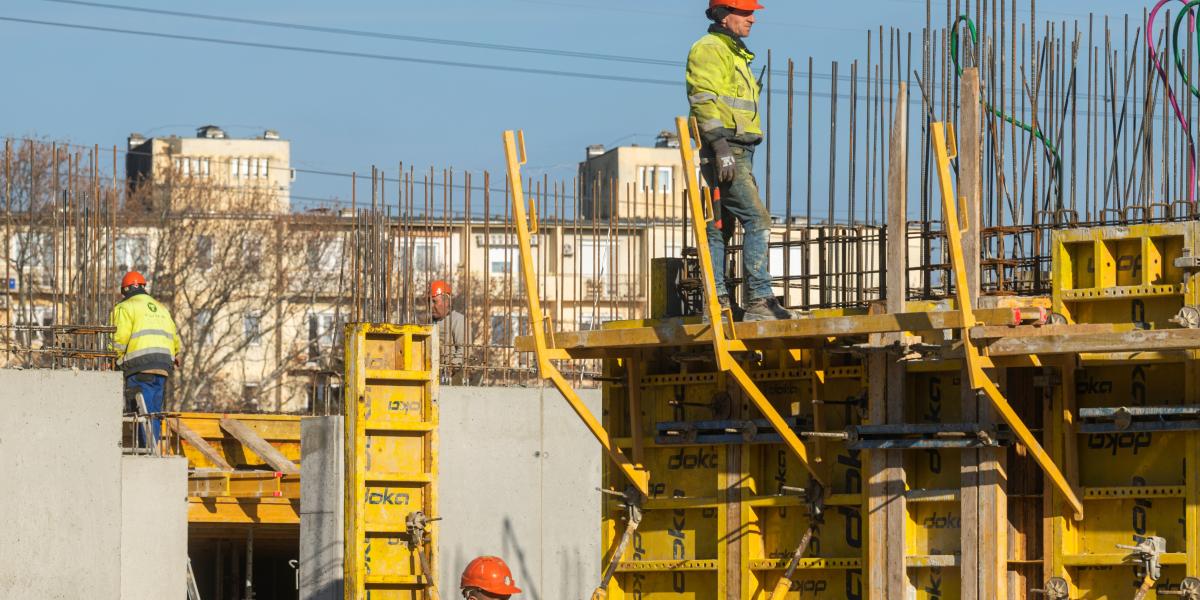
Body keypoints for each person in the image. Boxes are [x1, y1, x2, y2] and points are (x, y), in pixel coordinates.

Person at [687, 0, 794, 321]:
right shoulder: (709, 49)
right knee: (758, 220)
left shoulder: (733, 52)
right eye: (745, 13)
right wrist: (719, 147)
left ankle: (717, 303)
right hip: (727, 149)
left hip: (738, 150)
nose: (752, 20)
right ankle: (759, 300)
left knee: (721, 226)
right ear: (723, 15)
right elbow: (702, 99)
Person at [108, 271, 181, 446]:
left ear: (125, 289)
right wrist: (175, 355)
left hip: (139, 366)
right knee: (153, 412)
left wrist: (111, 357)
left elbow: (119, 338)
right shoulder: (161, 308)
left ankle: (147, 451)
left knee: (142, 413)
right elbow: (174, 338)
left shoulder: (125, 307)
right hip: (163, 366)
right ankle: (152, 448)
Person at [430, 279, 466, 383]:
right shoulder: (430, 322)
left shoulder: (458, 320)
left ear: (446, 302)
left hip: (451, 378)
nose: (431, 306)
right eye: (429, 302)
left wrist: (452, 366)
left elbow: (464, 350)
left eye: (434, 301)